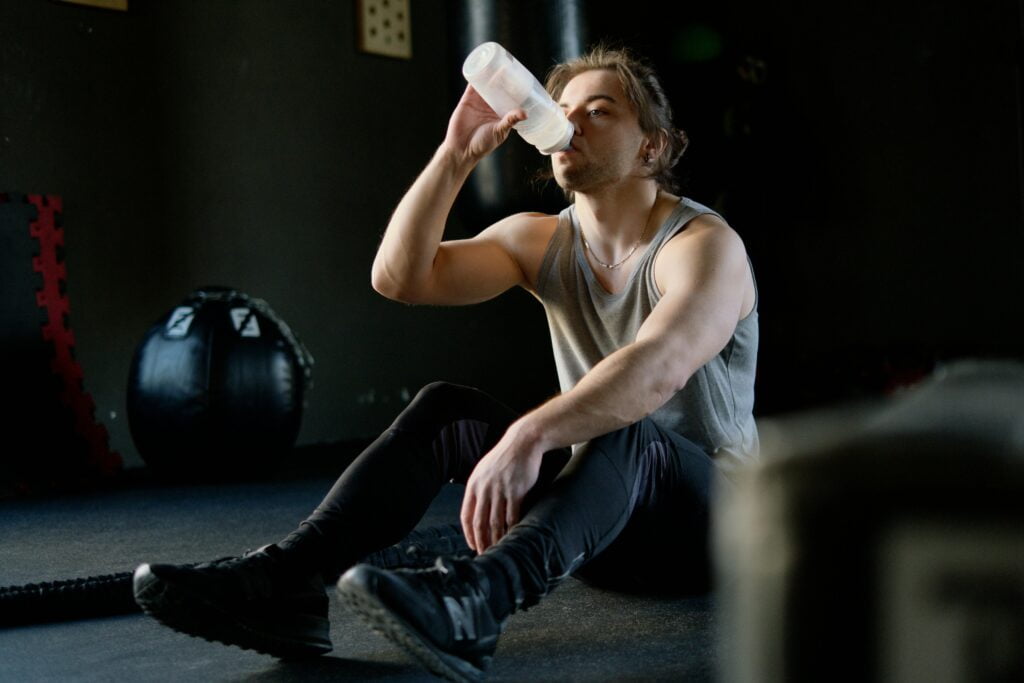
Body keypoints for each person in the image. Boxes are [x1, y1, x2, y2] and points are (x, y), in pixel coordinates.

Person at [132, 45, 758, 682]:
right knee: (446, 410)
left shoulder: (703, 246)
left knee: (625, 426)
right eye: (561, 110)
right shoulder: (540, 238)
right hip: (599, 529)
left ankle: (477, 602)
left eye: (598, 113)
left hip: (720, 535)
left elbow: (657, 370)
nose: (571, 124)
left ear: (651, 148)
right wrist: (455, 154)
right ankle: (285, 583)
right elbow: (401, 277)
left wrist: (530, 434)